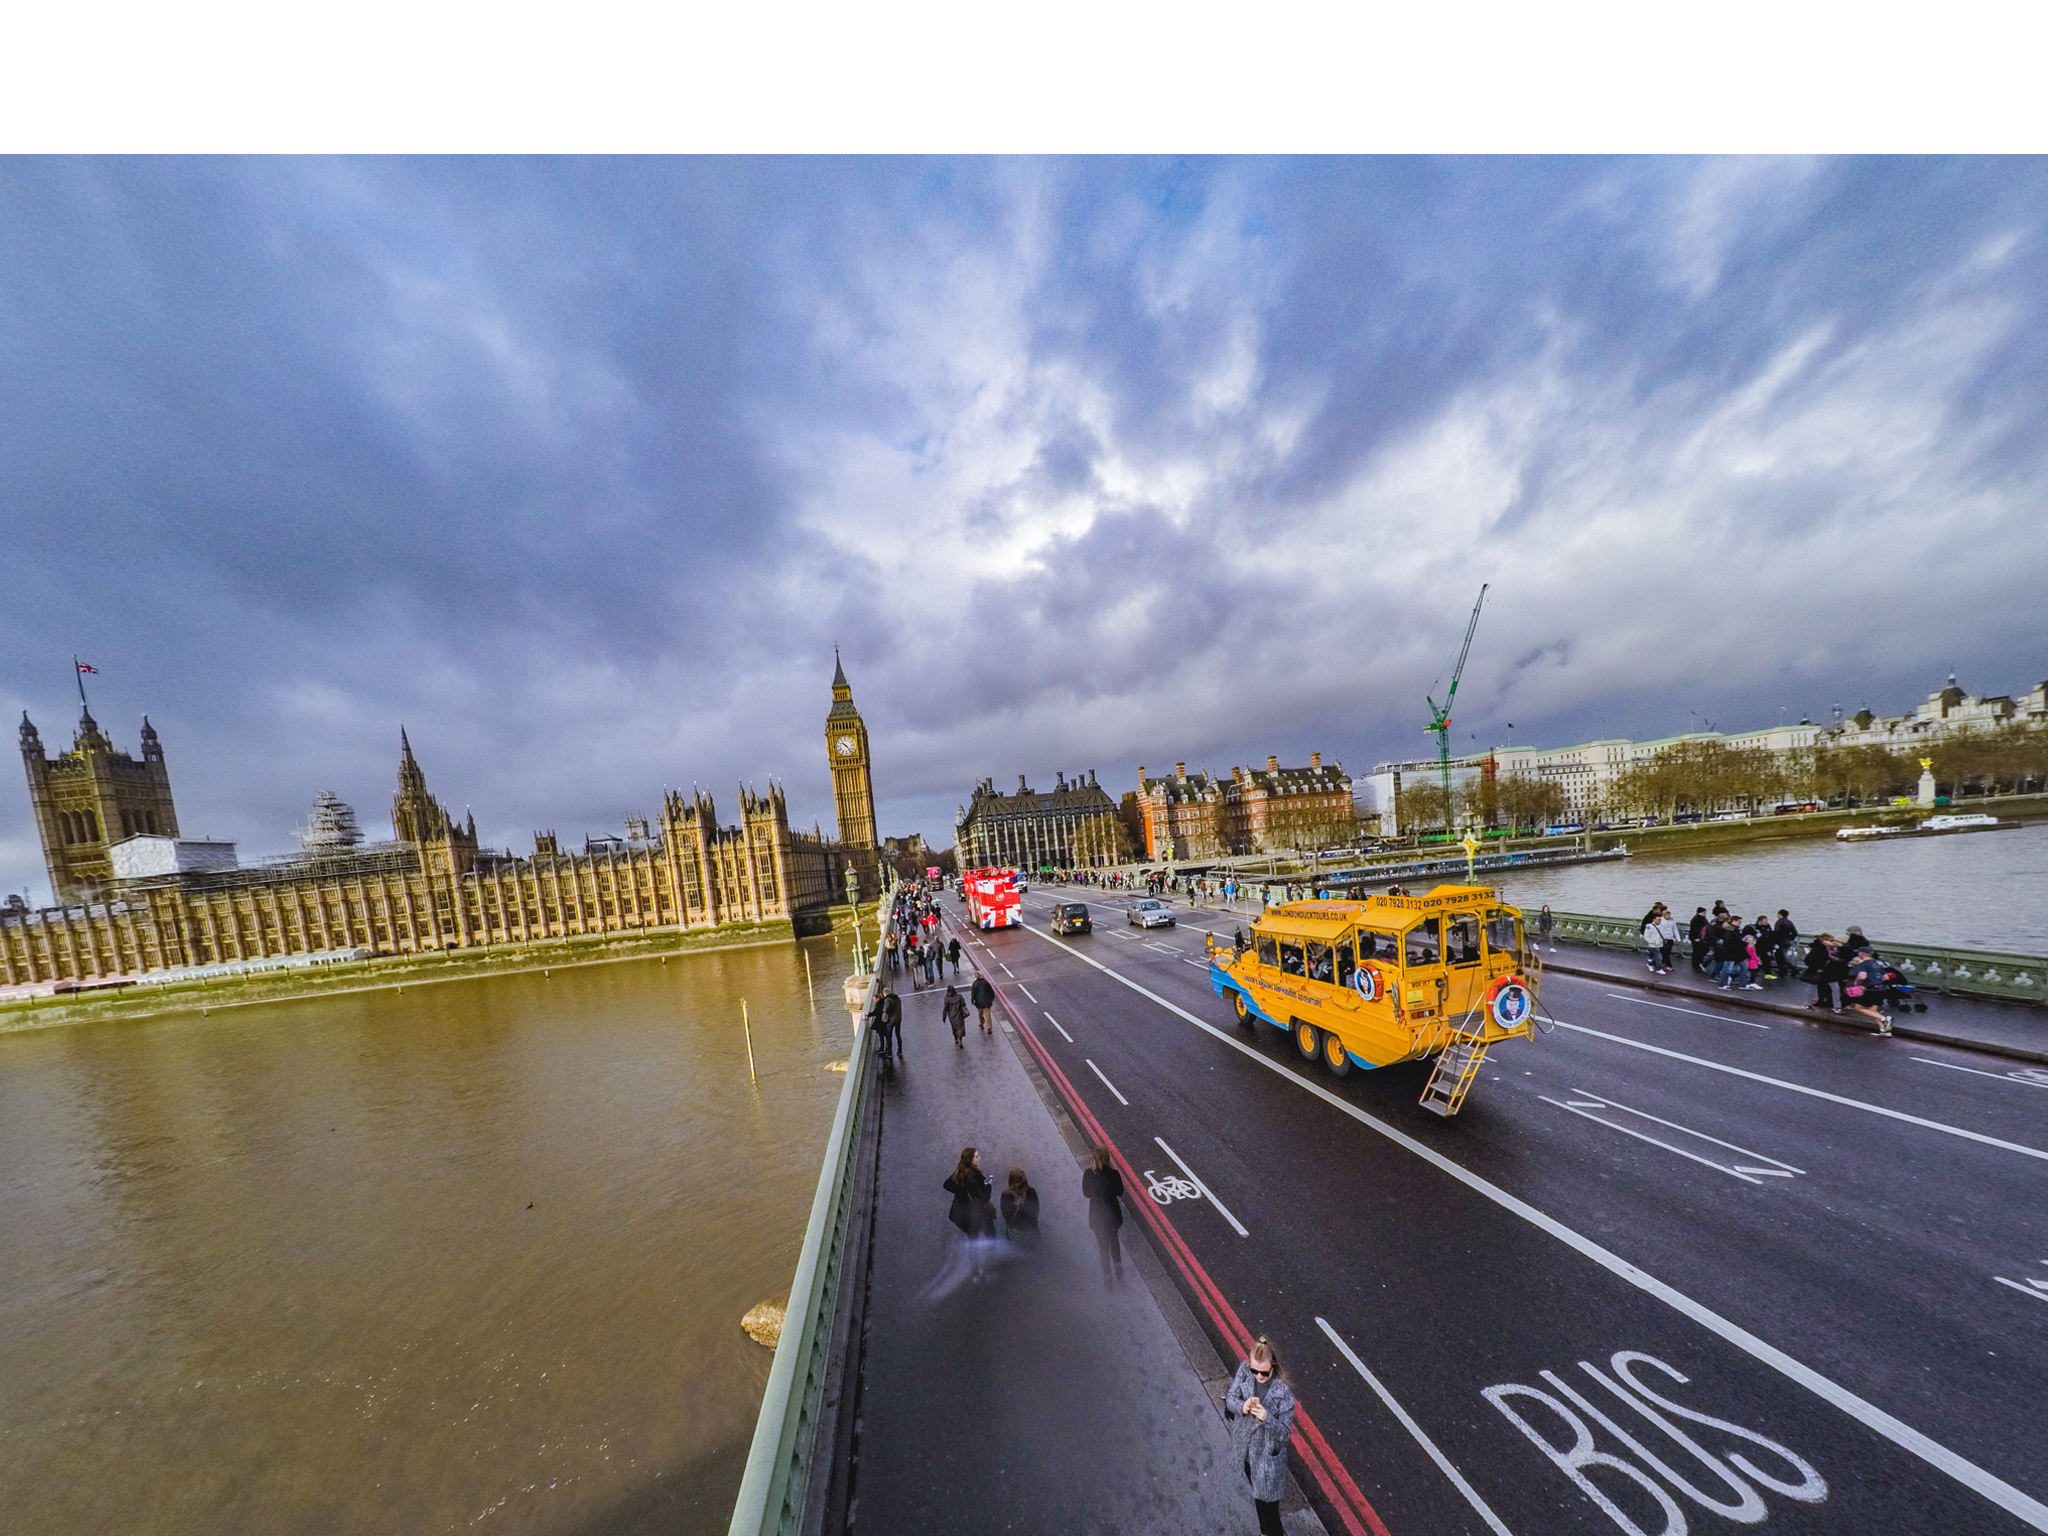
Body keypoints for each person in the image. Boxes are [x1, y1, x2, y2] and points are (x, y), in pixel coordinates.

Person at [1226, 1337, 1297, 1536]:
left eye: (1264, 1372)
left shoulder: (1284, 1394)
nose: (1258, 1376)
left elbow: (1283, 1434)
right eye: (1254, 1370)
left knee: (1270, 1512)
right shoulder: (1244, 1371)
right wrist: (1243, 1406)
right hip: (1248, 1454)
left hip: (1267, 1462)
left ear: (1272, 1366)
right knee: (1258, 1499)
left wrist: (1267, 1417)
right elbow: (1230, 1399)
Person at [1081, 1146, 1125, 1285]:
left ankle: (1107, 1277)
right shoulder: (1114, 1174)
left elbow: (1086, 1194)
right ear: (1108, 1158)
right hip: (1112, 1214)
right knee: (1114, 1239)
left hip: (1096, 1215)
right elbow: (1120, 1192)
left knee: (1102, 1246)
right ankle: (1118, 1266)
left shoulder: (1088, 1174)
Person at [943, 1147, 996, 1240]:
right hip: (976, 1212)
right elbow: (984, 1198)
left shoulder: (960, 1172)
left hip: (963, 1211)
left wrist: (961, 1192)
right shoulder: (977, 1177)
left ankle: (973, 1251)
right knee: (990, 1233)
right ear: (970, 1160)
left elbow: (947, 1185)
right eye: (976, 1156)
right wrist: (988, 1186)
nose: (979, 1158)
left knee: (973, 1235)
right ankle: (991, 1252)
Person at [1841, 945, 1893, 1034]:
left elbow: (1862, 976)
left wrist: (1856, 983)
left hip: (1871, 990)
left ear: (1861, 953)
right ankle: (1885, 1030)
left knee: (1858, 1007)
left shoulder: (1862, 964)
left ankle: (1884, 1019)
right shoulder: (1877, 964)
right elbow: (1886, 977)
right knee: (1872, 1011)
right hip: (1881, 989)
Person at [1001, 1167, 1040, 1247]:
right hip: (1032, 1232)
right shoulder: (1031, 1192)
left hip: (1014, 1233)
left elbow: (1006, 1215)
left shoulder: (1006, 1195)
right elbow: (1036, 1210)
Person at [1803, 933, 1841, 1012]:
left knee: (1835, 988)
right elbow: (1807, 960)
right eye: (1831, 940)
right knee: (1812, 988)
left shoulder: (1829, 949)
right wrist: (1816, 968)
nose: (1833, 942)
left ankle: (1837, 1006)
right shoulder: (1818, 949)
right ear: (1824, 940)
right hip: (1820, 971)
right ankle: (1807, 1004)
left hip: (1829, 971)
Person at [876, 982, 903, 1060]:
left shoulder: (887, 1000)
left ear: (885, 993)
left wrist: (883, 1010)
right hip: (898, 1019)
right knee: (898, 1035)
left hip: (890, 1020)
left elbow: (886, 1009)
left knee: (889, 1036)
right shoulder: (897, 998)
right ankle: (900, 1050)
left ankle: (890, 1052)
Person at [1652, 907, 1679, 973]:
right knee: (1665, 953)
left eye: (1669, 915)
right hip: (1663, 939)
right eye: (1667, 915)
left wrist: (1678, 939)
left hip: (1670, 939)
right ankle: (1668, 965)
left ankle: (1661, 962)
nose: (1668, 916)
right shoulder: (1660, 921)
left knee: (1666, 953)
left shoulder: (1672, 921)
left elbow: (1675, 930)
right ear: (1663, 915)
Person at [970, 972, 997, 1036]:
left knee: (980, 1013)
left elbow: (973, 994)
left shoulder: (975, 984)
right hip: (987, 1001)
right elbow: (991, 991)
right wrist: (992, 998)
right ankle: (989, 1028)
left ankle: (981, 1023)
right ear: (980, 976)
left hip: (979, 1002)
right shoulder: (986, 982)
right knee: (988, 1015)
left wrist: (972, 1000)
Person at [942, 982, 967, 1047]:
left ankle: (956, 1038)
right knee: (960, 1027)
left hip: (951, 1015)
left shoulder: (946, 998)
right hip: (959, 1014)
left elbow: (945, 1009)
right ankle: (961, 1040)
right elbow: (963, 1004)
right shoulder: (959, 996)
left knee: (954, 1027)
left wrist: (944, 1017)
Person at [1688, 907, 1712, 973]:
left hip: (1701, 938)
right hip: (1697, 938)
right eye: (1704, 912)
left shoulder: (1700, 918)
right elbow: (1694, 929)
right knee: (1697, 951)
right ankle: (1696, 964)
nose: (1705, 913)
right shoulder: (1697, 920)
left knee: (1699, 951)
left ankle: (1698, 963)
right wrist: (1695, 938)